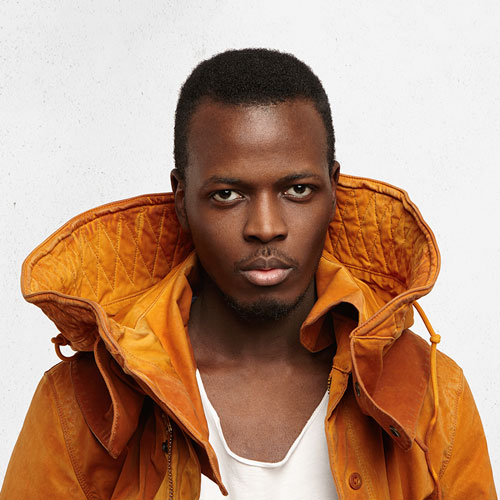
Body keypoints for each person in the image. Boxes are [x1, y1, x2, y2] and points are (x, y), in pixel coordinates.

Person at [1, 48, 495, 499]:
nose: (265, 227)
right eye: (227, 195)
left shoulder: (431, 396)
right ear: (181, 199)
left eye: (297, 190)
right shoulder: (80, 405)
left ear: (333, 192)